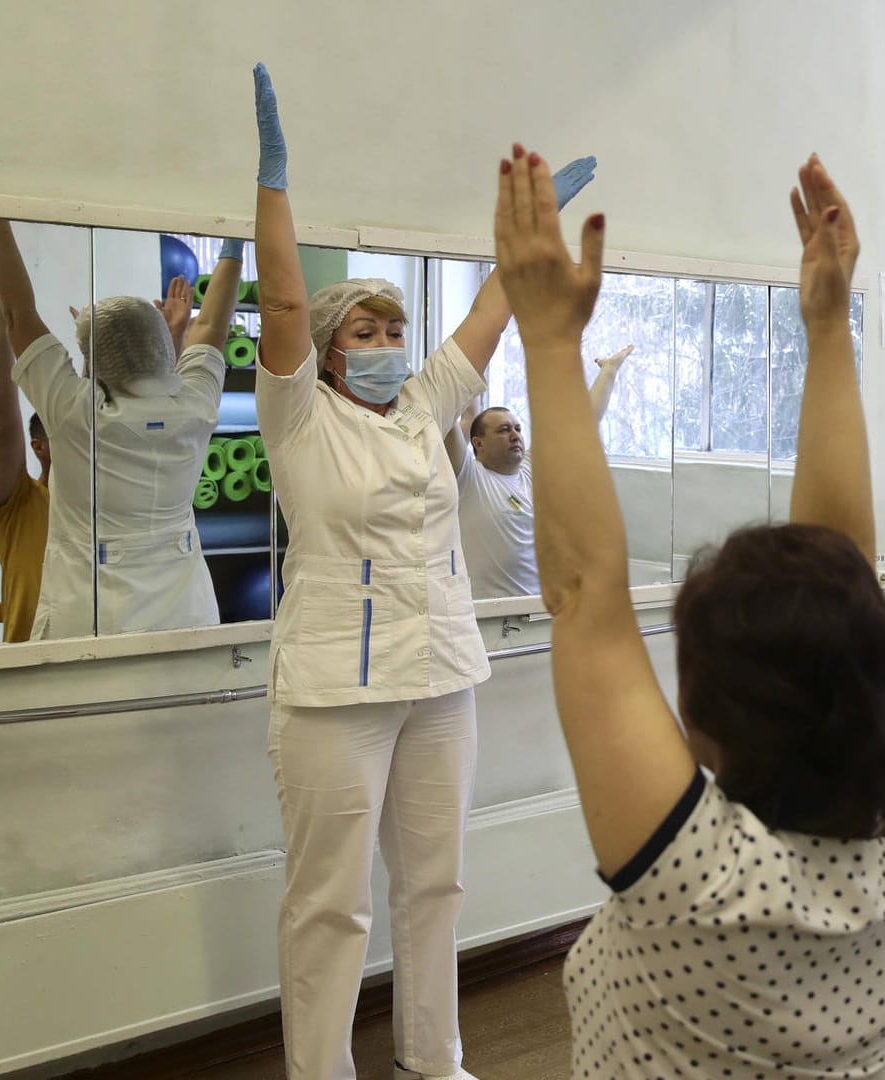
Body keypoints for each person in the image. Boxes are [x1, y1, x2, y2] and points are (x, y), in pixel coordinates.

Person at [494, 144, 885, 1078]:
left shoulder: (697, 878)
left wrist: (543, 339)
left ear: (703, 714)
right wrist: (828, 331)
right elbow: (848, 566)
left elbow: (583, 596)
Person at [244, 65, 595, 1080]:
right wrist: (274, 182)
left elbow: (490, 307)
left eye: (397, 331)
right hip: (332, 692)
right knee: (331, 903)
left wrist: (531, 238)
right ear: (327, 351)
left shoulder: (426, 404)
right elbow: (277, 298)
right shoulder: (298, 417)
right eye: (367, 332)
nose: (391, 347)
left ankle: (434, 1061)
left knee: (435, 884)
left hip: (441, 673)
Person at [0, 220, 239, 639]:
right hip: (186, 618)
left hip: (89, 622)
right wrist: (234, 241)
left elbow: (17, 313)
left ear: (94, 361)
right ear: (161, 343)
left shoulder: (75, 412)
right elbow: (211, 326)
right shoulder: (196, 406)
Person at [444, 344, 631, 598]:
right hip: (488, 620)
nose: (515, 435)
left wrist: (608, 371)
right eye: (503, 430)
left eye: (518, 429)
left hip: (538, 615)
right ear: (478, 443)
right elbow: (443, 420)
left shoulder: (532, 469)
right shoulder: (468, 477)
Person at [0, 260, 51, 643]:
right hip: (28, 667)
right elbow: (3, 425)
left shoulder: (93, 505)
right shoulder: (21, 501)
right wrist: (2, 330)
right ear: (39, 447)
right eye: (60, 434)